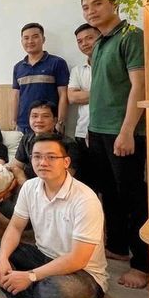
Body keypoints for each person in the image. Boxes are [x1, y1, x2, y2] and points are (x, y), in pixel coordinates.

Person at [0, 135, 108, 298]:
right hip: (42, 256)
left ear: (66, 162)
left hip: (83, 273)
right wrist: (3, 258)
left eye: (51, 157)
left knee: (51, 291)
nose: (43, 162)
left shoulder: (85, 200)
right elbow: (15, 228)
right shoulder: (30, 187)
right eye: (37, 156)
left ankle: (23, 288)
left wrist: (30, 276)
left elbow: (78, 259)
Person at [80, 0, 148, 289]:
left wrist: (127, 131)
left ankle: (142, 264)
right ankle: (118, 247)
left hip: (123, 132)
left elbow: (139, 86)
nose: (91, 11)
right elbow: (101, 90)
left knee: (132, 198)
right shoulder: (99, 44)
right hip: (98, 131)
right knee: (108, 194)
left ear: (114, 3)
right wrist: (92, 130)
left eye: (97, 4)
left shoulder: (131, 36)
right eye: (86, 7)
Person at [11, 23, 70, 134]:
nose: (30, 41)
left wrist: (60, 122)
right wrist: (14, 121)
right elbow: (16, 97)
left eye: (35, 37)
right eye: (26, 38)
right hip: (24, 125)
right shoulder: (18, 67)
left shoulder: (57, 63)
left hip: (49, 125)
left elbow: (63, 95)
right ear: (21, 41)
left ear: (43, 39)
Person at [68, 24, 100, 188]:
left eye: (89, 38)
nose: (84, 44)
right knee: (87, 183)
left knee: (111, 182)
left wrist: (85, 94)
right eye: (80, 41)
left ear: (100, 37)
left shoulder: (111, 64)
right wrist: (103, 93)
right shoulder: (78, 70)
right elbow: (72, 97)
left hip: (108, 131)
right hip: (82, 131)